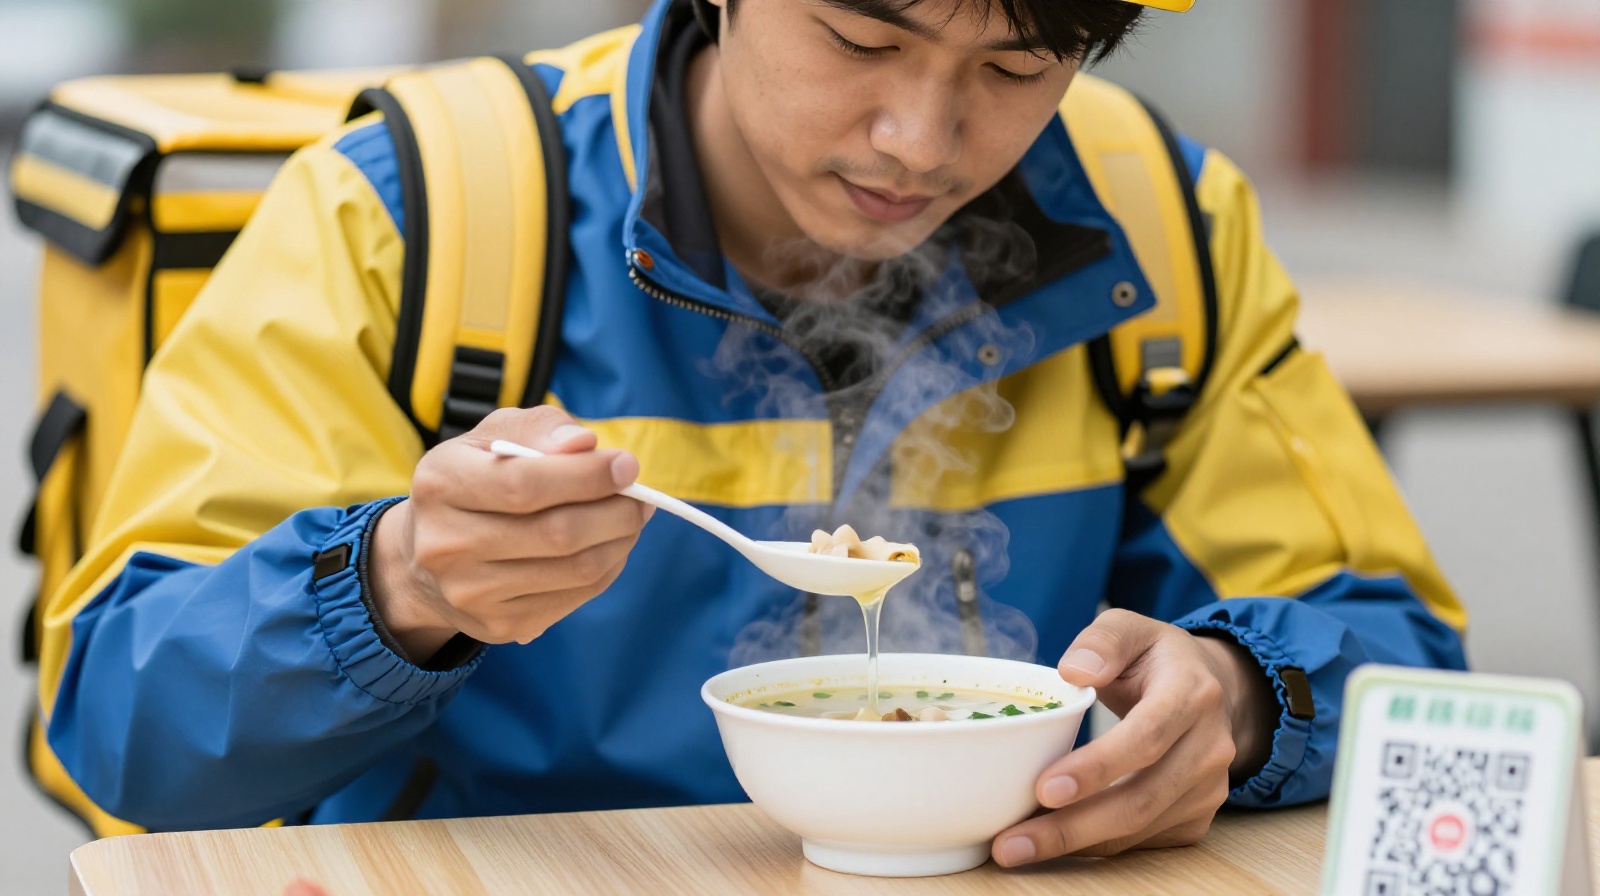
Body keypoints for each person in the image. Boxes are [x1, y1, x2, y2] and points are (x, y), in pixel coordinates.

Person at [36, 0, 1467, 867]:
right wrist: (398, 587)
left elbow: (1406, 656)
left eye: (1019, 67)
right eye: (862, 36)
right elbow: (120, 730)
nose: (920, 137)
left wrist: (1239, 697)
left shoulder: (1164, 224)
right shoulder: (418, 211)